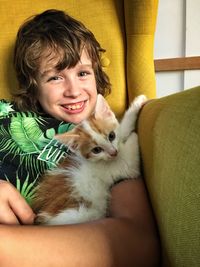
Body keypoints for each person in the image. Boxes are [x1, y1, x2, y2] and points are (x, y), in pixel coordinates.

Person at [0, 9, 160, 266]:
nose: (74, 91)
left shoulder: (110, 132)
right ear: (33, 86)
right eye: (55, 77)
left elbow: (139, 241)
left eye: (83, 73)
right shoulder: (5, 116)